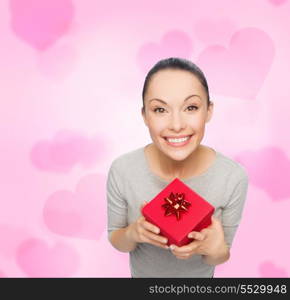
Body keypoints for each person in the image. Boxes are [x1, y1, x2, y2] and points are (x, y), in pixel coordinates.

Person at [106, 57, 249, 278]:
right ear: (144, 115)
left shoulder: (232, 177)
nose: (176, 125)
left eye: (191, 107)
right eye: (160, 109)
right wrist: (133, 233)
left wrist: (214, 248)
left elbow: (220, 256)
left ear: (209, 111)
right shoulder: (122, 170)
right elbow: (117, 239)